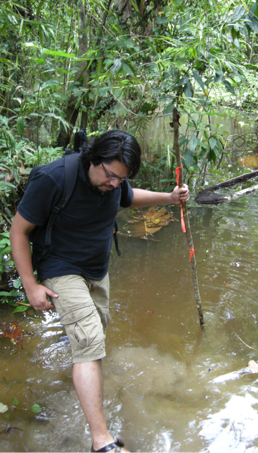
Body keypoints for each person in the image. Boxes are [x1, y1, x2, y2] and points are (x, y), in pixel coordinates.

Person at [10, 130, 190, 453]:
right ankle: (101, 441)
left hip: (97, 270)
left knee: (96, 334)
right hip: (60, 269)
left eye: (121, 179)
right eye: (110, 176)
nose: (114, 185)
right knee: (92, 343)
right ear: (94, 159)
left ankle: (77, 363)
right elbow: (18, 231)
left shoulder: (114, 182)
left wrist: (170, 197)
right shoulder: (53, 178)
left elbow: (131, 198)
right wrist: (30, 284)